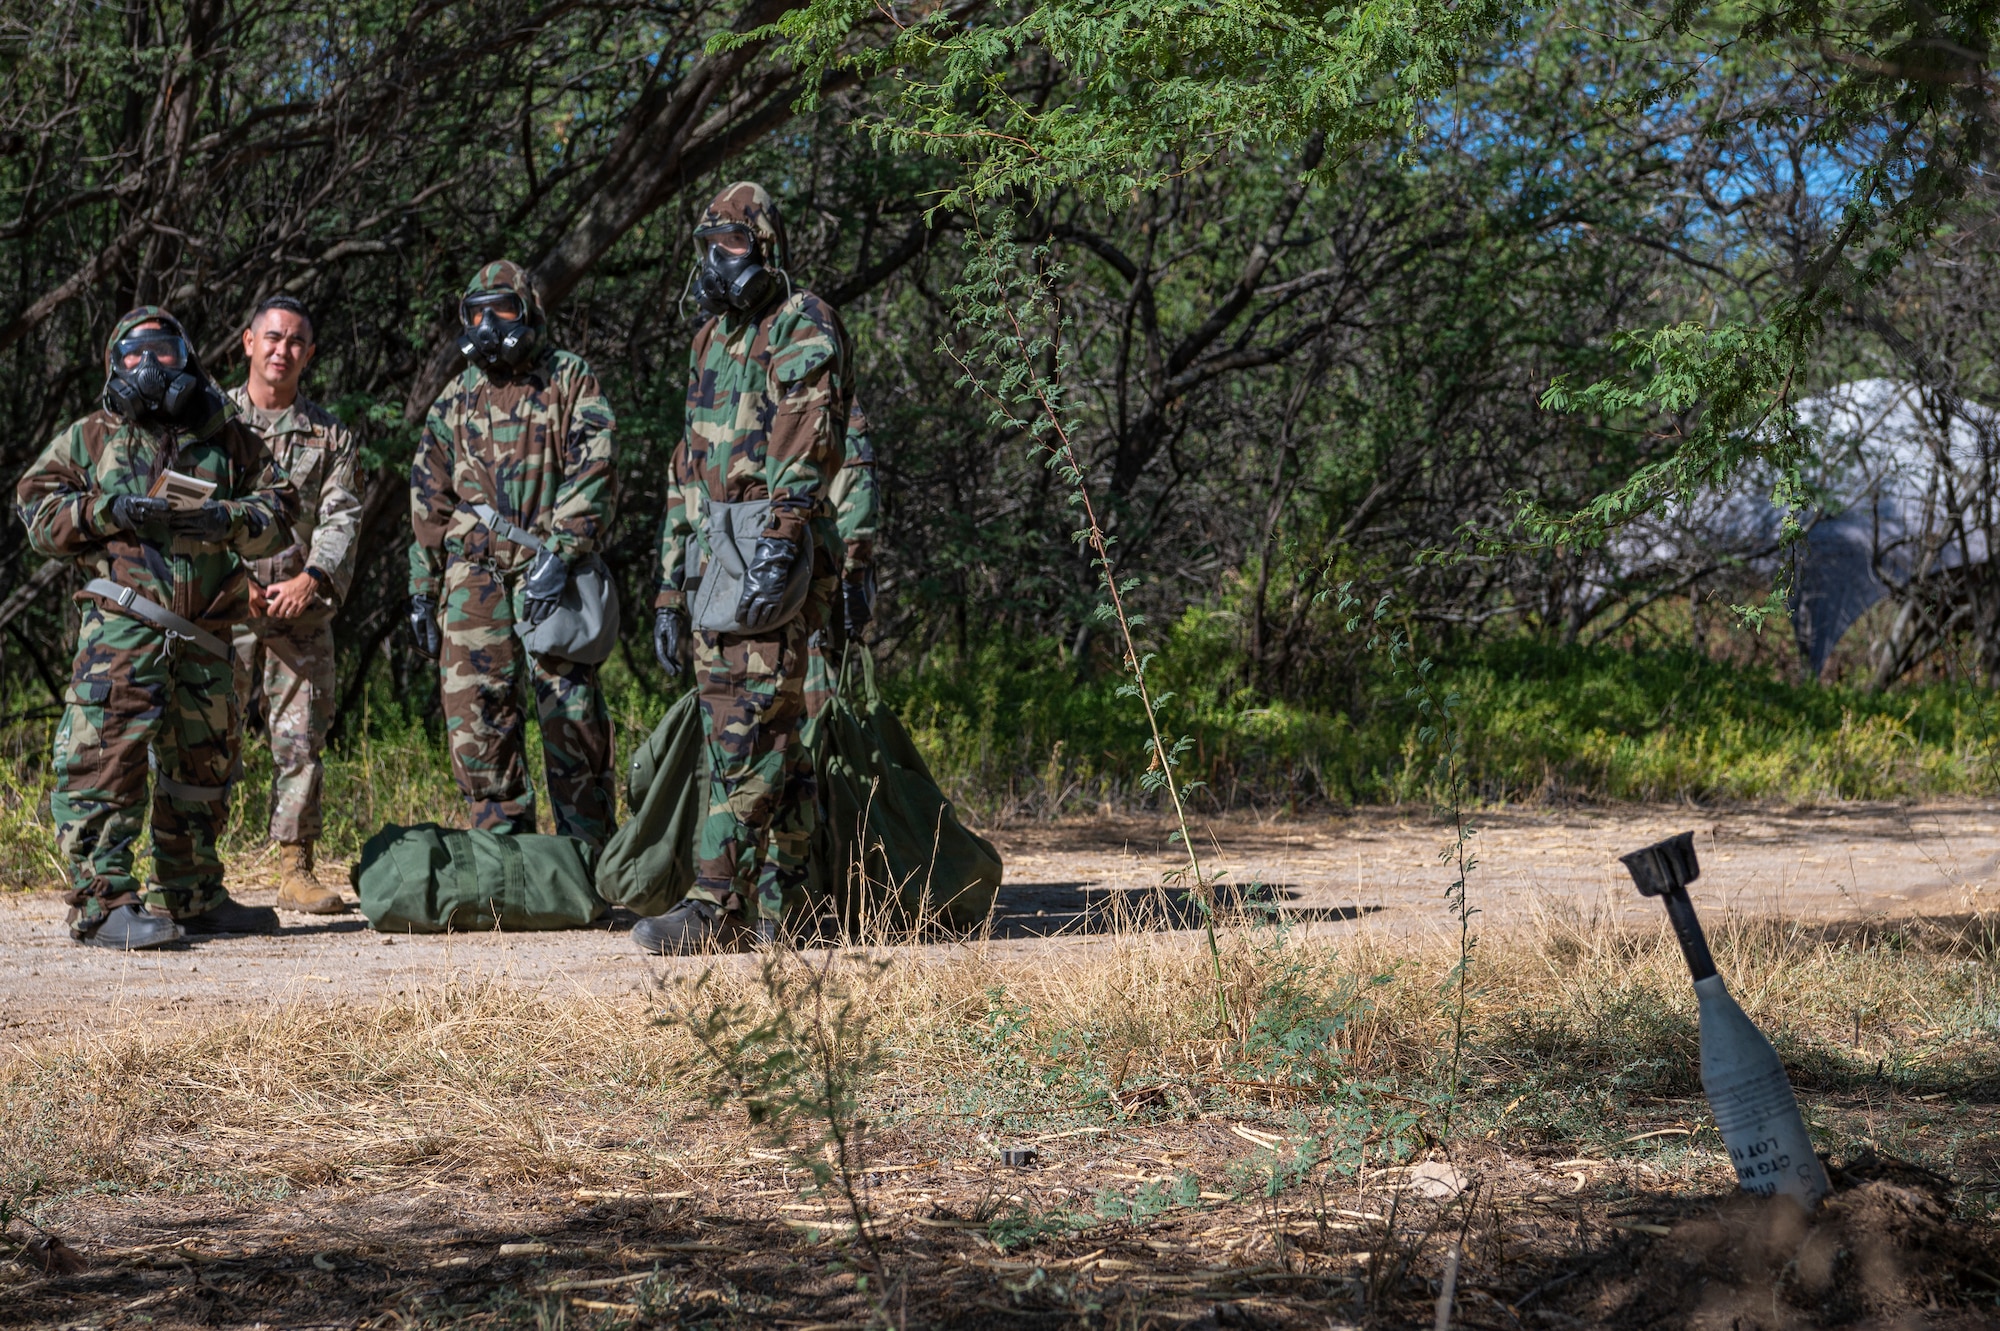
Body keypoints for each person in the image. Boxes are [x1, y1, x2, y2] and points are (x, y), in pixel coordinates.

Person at [17, 308, 299, 948]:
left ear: (188, 359)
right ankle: (103, 904)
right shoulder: (92, 436)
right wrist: (105, 511)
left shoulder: (225, 437)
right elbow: (36, 510)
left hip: (205, 634)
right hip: (123, 628)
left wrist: (226, 519)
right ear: (116, 366)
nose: (152, 367)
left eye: (166, 353)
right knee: (104, 761)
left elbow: (281, 508)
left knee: (202, 769)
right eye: (137, 354)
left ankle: (193, 895)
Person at [645, 181, 852, 954]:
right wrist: (670, 588)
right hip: (713, 554)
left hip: (773, 543)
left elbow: (807, 438)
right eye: (709, 245)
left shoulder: (803, 321)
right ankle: (786, 906)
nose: (715, 261)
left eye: (730, 245)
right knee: (768, 734)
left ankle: (710, 901)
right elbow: (684, 465)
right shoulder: (709, 341)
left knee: (750, 729)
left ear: (765, 247)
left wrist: (783, 539)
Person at [406, 260, 618, 848]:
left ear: (528, 312)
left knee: (571, 718)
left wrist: (565, 548)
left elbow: (596, 466)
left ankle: (591, 858)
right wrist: (422, 591)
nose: (487, 323)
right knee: (477, 722)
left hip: (553, 573)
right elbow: (429, 497)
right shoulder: (455, 399)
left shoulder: (569, 378)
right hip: (473, 578)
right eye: (476, 313)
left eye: (501, 309)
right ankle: (506, 856)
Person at [228, 294, 361, 914]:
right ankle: (188, 865)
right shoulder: (212, 422)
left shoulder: (329, 434)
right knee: (201, 734)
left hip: (298, 609)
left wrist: (313, 577)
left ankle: (295, 867)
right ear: (249, 342)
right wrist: (234, 579)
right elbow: (188, 506)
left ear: (308, 354)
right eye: (273, 338)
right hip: (220, 606)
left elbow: (342, 515)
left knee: (302, 738)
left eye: (296, 342)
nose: (283, 350)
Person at [802, 396, 880, 720]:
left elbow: (857, 511)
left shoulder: (838, 415)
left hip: (818, 595)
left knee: (820, 712)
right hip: (792, 588)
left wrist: (851, 583)